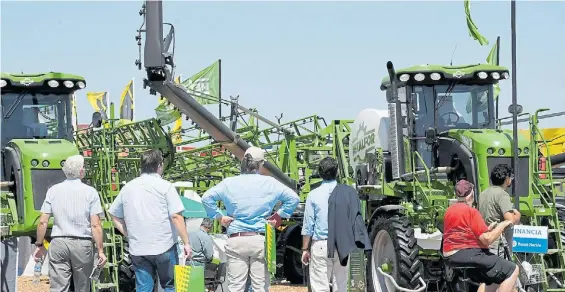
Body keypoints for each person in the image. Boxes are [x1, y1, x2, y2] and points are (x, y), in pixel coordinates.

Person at [201, 146, 300, 292]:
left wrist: (220, 216)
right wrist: (277, 217)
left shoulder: (229, 183)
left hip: (236, 239)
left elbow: (206, 197)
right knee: (260, 286)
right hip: (260, 239)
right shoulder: (270, 183)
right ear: (260, 164)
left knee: (236, 286)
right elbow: (294, 198)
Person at [108, 149, 192, 292]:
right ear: (160, 165)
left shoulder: (128, 188)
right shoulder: (166, 186)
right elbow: (176, 216)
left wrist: (127, 233)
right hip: (164, 246)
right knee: (170, 286)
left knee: (144, 287)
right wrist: (186, 243)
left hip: (138, 248)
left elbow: (113, 214)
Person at [33, 154, 107, 292]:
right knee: (82, 287)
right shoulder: (90, 192)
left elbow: (43, 221)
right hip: (82, 244)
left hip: (58, 242)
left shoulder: (53, 191)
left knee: (58, 287)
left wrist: (39, 244)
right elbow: (96, 224)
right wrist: (100, 250)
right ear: (81, 171)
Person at [301, 157, 370, 292]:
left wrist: (305, 249)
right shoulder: (348, 193)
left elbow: (308, 226)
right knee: (341, 286)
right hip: (342, 245)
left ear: (320, 174)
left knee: (320, 287)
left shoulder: (313, 195)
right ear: (337, 172)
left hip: (321, 245)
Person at [443, 180, 519, 292]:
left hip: (450, 256)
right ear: (471, 194)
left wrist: (489, 229)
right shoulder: (471, 211)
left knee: (493, 280)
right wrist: (503, 224)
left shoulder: (449, 211)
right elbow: (487, 240)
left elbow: (463, 232)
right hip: (466, 253)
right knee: (512, 270)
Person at [478, 164, 521, 255]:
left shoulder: (483, 193)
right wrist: (517, 216)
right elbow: (510, 220)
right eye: (511, 177)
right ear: (506, 180)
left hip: (483, 238)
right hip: (497, 241)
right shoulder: (502, 194)